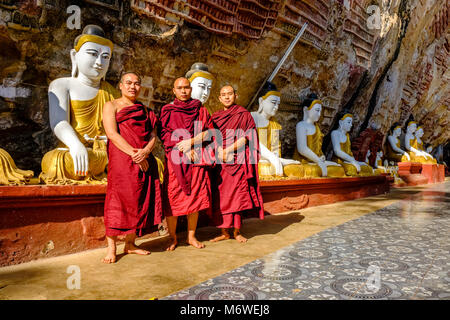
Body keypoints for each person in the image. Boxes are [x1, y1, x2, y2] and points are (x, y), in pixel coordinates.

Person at [101, 72, 163, 264]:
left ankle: (130, 244)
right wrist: (134, 154)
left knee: (139, 198)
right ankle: (111, 248)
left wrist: (144, 152)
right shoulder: (111, 105)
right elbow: (111, 133)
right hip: (122, 159)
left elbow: (153, 135)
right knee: (117, 198)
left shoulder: (145, 110)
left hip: (143, 159)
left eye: (136, 84)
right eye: (128, 83)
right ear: (120, 85)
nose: (132, 87)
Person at [159, 77, 214, 251]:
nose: (183, 91)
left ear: (190, 90)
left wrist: (191, 142)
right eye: (179, 88)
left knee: (194, 199)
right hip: (175, 161)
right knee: (173, 199)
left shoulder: (200, 109)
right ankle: (172, 237)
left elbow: (210, 132)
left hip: (196, 158)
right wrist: (181, 147)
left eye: (187, 88)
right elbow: (164, 135)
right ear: (173, 90)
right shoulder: (167, 110)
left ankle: (191, 236)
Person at [210, 85, 264, 243]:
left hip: (237, 159)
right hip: (221, 161)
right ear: (219, 98)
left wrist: (228, 150)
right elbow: (213, 136)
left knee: (237, 197)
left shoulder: (243, 114)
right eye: (223, 95)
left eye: (229, 94)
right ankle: (224, 231)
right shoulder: (216, 116)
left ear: (236, 95)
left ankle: (237, 231)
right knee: (222, 196)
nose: (226, 97)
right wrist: (220, 151)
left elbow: (247, 136)